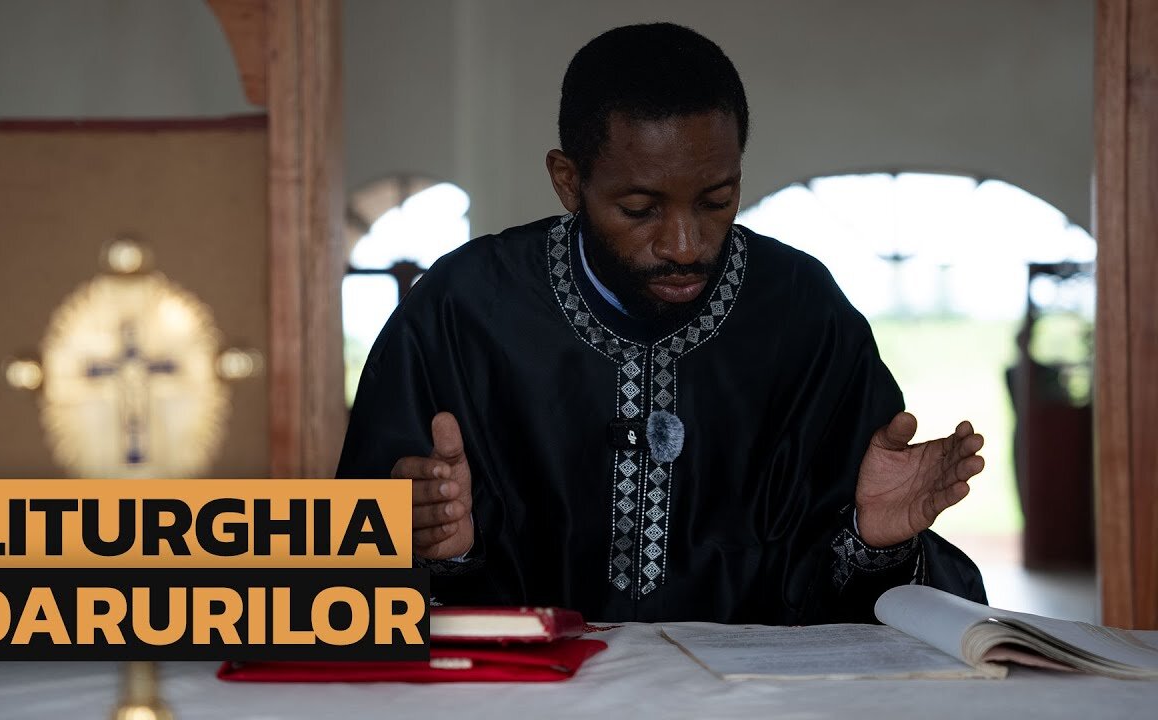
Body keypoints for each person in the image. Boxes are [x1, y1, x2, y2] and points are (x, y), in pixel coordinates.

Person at [336, 22, 987, 623]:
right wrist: (433, 548)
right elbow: (346, 585)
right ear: (568, 181)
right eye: (641, 208)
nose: (685, 244)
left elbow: (845, 597)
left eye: (716, 201)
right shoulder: (466, 307)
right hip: (527, 699)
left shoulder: (802, 313)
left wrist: (874, 540)